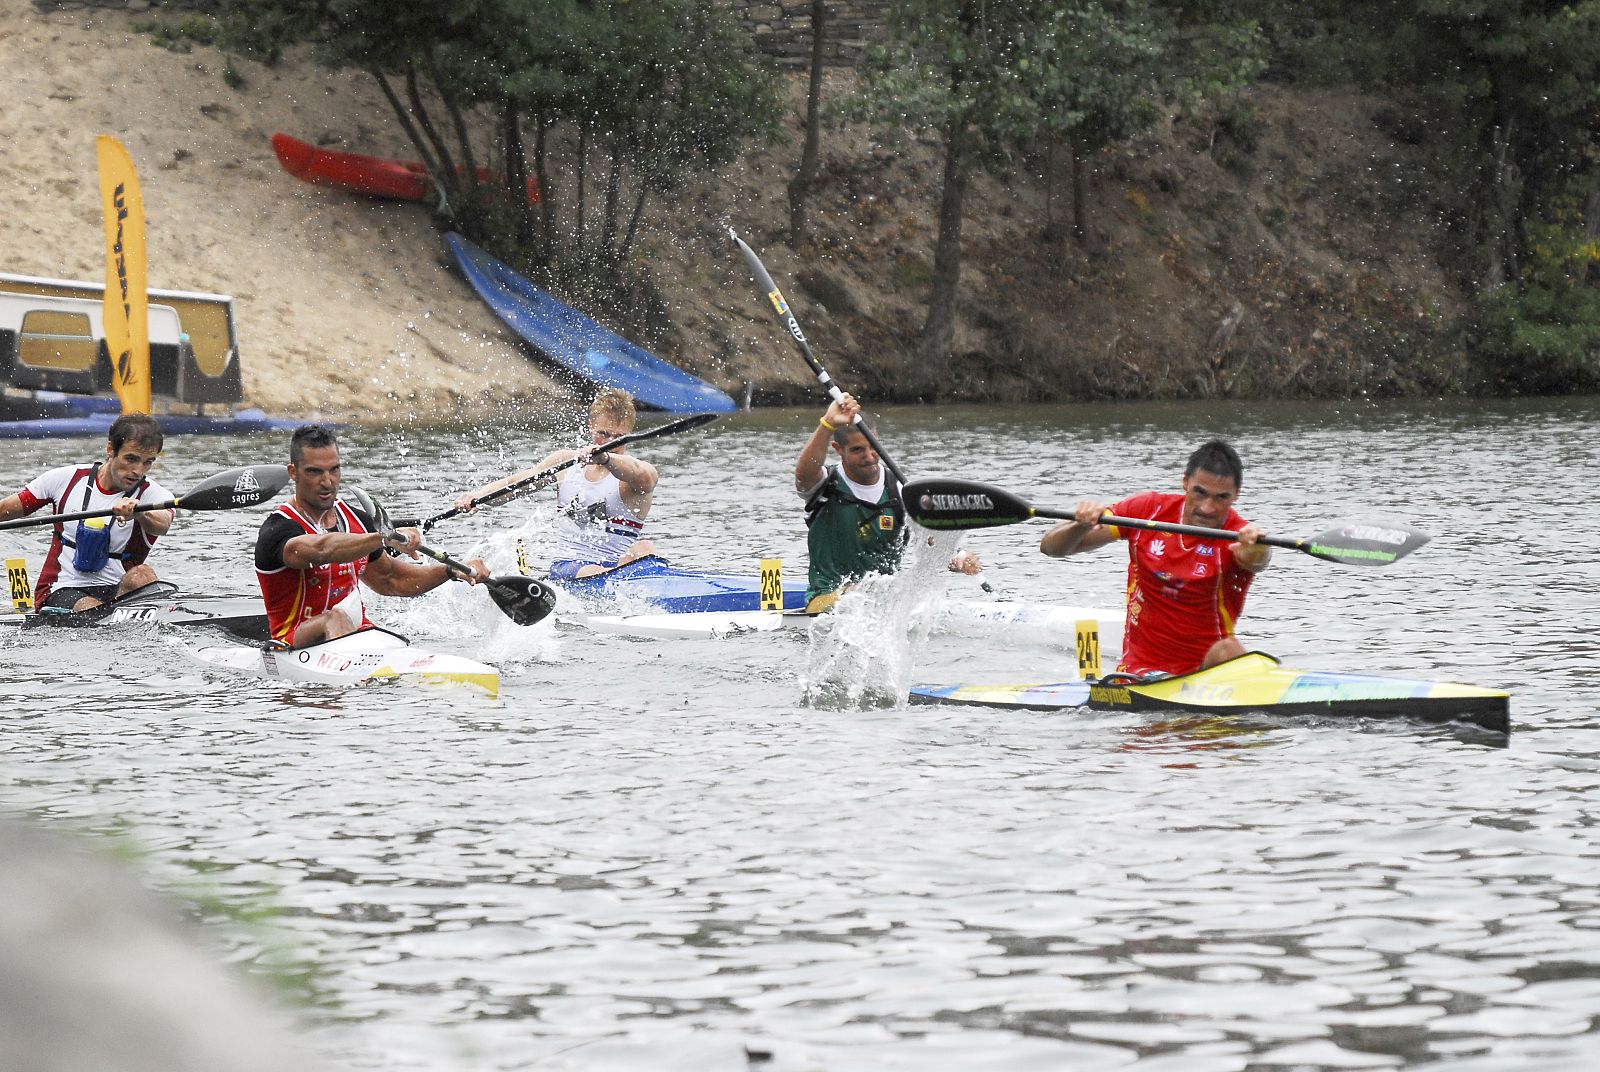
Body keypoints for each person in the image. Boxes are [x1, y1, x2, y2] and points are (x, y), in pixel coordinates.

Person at [1038, 438, 1270, 678]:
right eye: (1199, 493)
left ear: (1236, 495)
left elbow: (1257, 560)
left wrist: (1258, 548)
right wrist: (1080, 525)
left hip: (1206, 671)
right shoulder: (1148, 511)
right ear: (1185, 482)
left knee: (1228, 650)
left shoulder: (1239, 536)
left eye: (1221, 497)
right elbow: (1051, 548)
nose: (1207, 508)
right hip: (1140, 672)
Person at [256, 424, 489, 648]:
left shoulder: (356, 520)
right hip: (293, 642)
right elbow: (322, 550)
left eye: (334, 470)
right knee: (334, 618)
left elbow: (391, 579)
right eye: (314, 472)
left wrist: (450, 571)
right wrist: (383, 538)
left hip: (356, 635)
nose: (327, 482)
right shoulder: (278, 530)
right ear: (293, 473)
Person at [795, 393, 979, 614]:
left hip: (884, 602)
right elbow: (803, 476)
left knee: (893, 591)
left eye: (873, 446)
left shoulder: (900, 491)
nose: (870, 456)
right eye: (857, 450)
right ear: (838, 449)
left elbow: (930, 542)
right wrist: (827, 423)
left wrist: (956, 557)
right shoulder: (825, 485)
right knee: (863, 594)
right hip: (825, 599)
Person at [452, 388, 659, 580]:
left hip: (617, 568)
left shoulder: (637, 474)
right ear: (591, 426)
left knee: (645, 548)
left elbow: (643, 474)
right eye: (603, 434)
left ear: (630, 434)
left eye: (619, 437)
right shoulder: (566, 464)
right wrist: (476, 497)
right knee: (601, 571)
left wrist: (605, 458)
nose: (609, 442)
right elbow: (517, 484)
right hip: (571, 568)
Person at [0, 413, 173, 611]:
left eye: (147, 462)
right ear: (110, 449)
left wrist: (140, 514)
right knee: (93, 608)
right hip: (62, 588)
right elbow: (5, 510)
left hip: (118, 590)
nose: (138, 471)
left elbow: (163, 524)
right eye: (131, 459)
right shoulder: (65, 479)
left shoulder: (154, 493)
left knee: (142, 575)